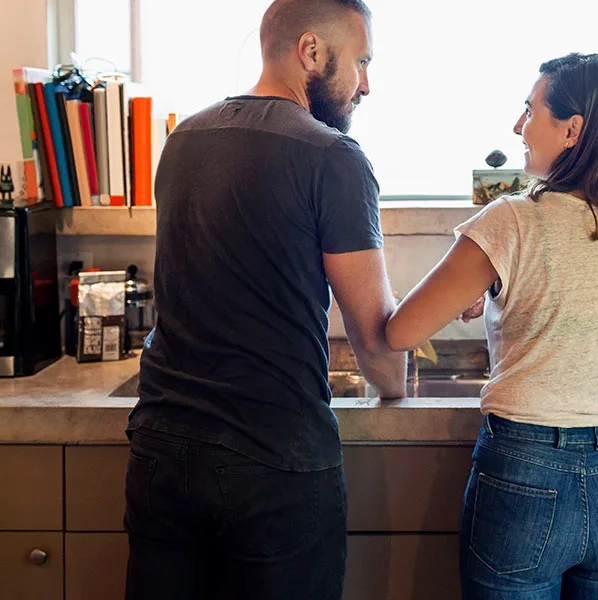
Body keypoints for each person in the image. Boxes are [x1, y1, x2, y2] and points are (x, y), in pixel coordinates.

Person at [123, 1, 407, 598]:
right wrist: (395, 388)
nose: (368, 85)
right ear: (311, 52)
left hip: (163, 450)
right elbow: (373, 333)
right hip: (272, 458)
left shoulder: (183, 140)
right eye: (361, 62)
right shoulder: (333, 157)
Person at [386, 53, 598, 599]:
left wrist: (479, 289)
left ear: (572, 130)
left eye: (529, 111)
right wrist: (505, 295)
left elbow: (401, 332)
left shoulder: (512, 220)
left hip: (524, 476)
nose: (518, 127)